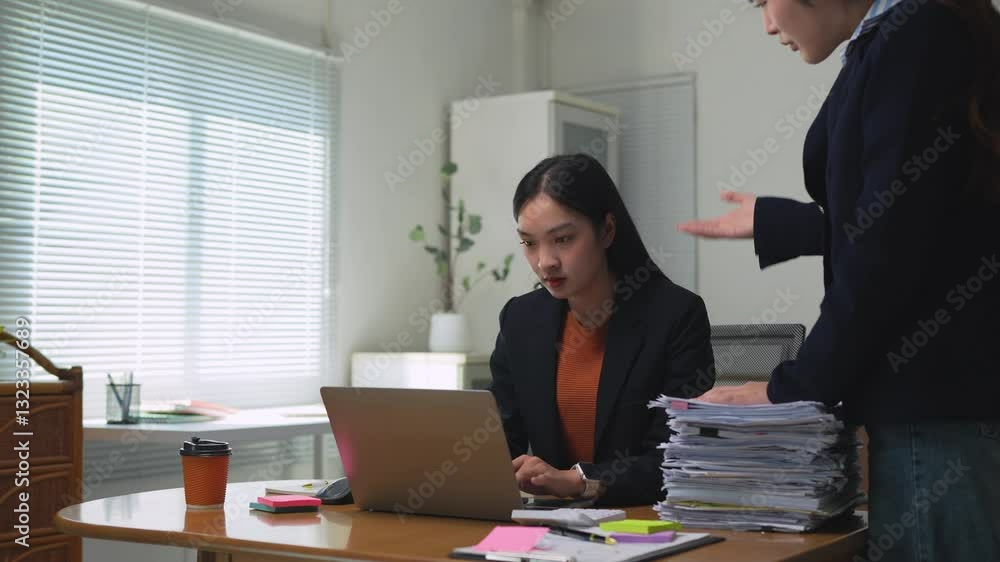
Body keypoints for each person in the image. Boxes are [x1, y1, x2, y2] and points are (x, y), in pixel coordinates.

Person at [679, 1, 1000, 560]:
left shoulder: (916, 35)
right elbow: (917, 216)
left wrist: (791, 389)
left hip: (937, 414)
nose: (768, 25)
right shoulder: (906, 33)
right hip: (936, 415)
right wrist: (785, 223)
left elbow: (888, 254)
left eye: (764, 2)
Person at [488, 153, 715, 506]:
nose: (545, 261)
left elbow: (676, 456)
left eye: (563, 239)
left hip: (641, 519)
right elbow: (498, 441)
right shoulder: (521, 319)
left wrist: (579, 481)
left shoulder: (676, 316)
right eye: (530, 243)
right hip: (551, 520)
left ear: (607, 230)